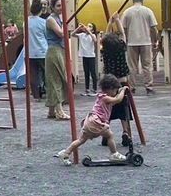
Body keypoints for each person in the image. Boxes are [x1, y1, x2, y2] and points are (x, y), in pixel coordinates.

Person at [55, 74, 128, 165]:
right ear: (110, 89)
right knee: (110, 135)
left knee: (81, 140)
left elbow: (115, 100)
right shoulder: (105, 98)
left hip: (90, 121)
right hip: (96, 122)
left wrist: (119, 92)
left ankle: (66, 153)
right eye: (115, 90)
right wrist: (123, 90)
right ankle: (114, 154)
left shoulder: (102, 97)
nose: (115, 93)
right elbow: (118, 100)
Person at [100, 19, 137, 148]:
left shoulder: (105, 51)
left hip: (108, 83)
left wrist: (110, 23)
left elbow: (105, 37)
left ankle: (106, 133)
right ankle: (125, 132)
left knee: (107, 110)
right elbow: (122, 33)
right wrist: (117, 21)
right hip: (121, 81)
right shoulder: (121, 48)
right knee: (124, 109)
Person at [119, 0, 159, 94]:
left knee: (132, 66)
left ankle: (131, 87)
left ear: (133, 0)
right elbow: (154, 28)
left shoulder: (127, 12)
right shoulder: (148, 11)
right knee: (147, 66)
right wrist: (155, 40)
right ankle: (149, 87)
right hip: (146, 42)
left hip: (131, 42)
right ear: (142, 0)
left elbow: (123, 29)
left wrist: (125, 40)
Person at [44, 0, 69, 120]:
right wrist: (66, 23)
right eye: (58, 6)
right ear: (52, 7)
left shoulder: (58, 18)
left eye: (62, 5)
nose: (61, 8)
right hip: (54, 51)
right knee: (57, 80)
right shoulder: (51, 19)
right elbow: (61, 33)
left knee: (55, 79)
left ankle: (51, 111)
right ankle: (59, 111)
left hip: (59, 49)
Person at [25, 0, 48, 101]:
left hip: (30, 52)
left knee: (33, 75)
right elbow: (46, 36)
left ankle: (36, 95)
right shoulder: (43, 22)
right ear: (40, 10)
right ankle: (48, 91)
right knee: (46, 73)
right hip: (42, 51)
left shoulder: (26, 22)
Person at [76, 24, 99, 94]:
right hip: (84, 56)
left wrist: (89, 32)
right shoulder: (82, 35)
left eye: (90, 26)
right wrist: (79, 28)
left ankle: (95, 88)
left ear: (93, 30)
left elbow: (95, 40)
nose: (88, 27)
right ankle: (87, 88)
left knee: (93, 72)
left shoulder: (93, 35)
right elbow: (72, 34)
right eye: (87, 25)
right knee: (86, 72)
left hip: (91, 56)